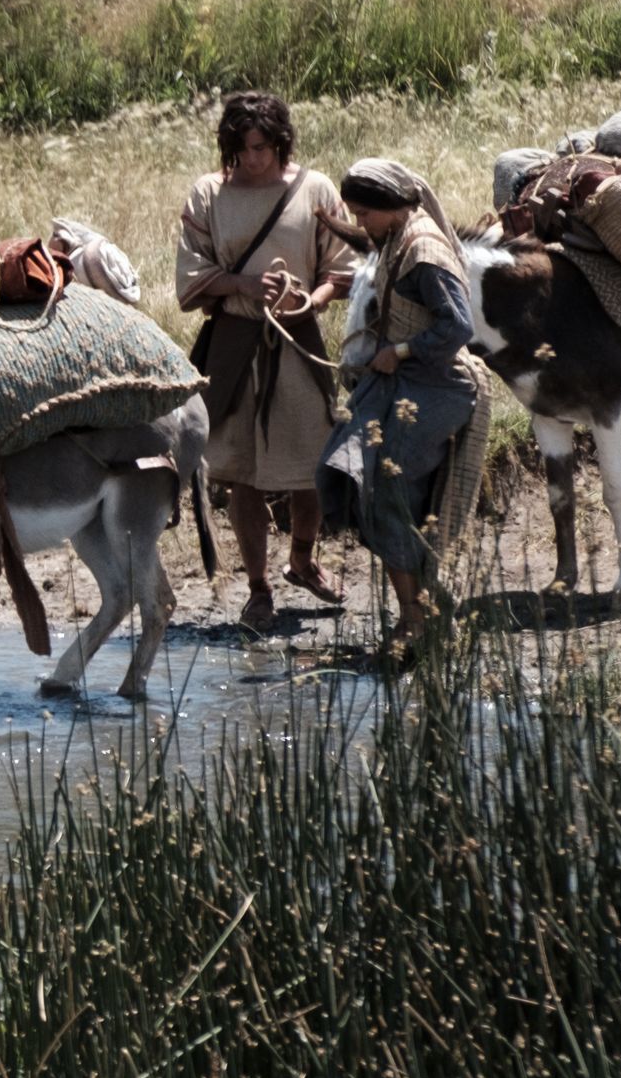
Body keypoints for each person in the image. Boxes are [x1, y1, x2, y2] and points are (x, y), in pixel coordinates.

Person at [174, 89, 354, 633]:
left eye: (264, 146)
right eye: (244, 148)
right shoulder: (209, 195)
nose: (254, 157)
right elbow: (189, 281)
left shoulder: (314, 188)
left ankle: (302, 558)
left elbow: (342, 268)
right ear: (229, 148)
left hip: (298, 341)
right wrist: (245, 284)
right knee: (241, 478)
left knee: (313, 468)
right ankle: (258, 588)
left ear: (281, 142)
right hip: (232, 346)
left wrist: (312, 300)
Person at [332, 161, 484, 660]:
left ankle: (415, 621)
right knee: (367, 483)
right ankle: (425, 611)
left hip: (437, 386)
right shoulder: (397, 238)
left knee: (388, 494)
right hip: (409, 383)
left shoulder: (423, 250)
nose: (361, 224)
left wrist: (397, 352)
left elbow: (457, 327)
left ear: (388, 207)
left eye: (363, 214)